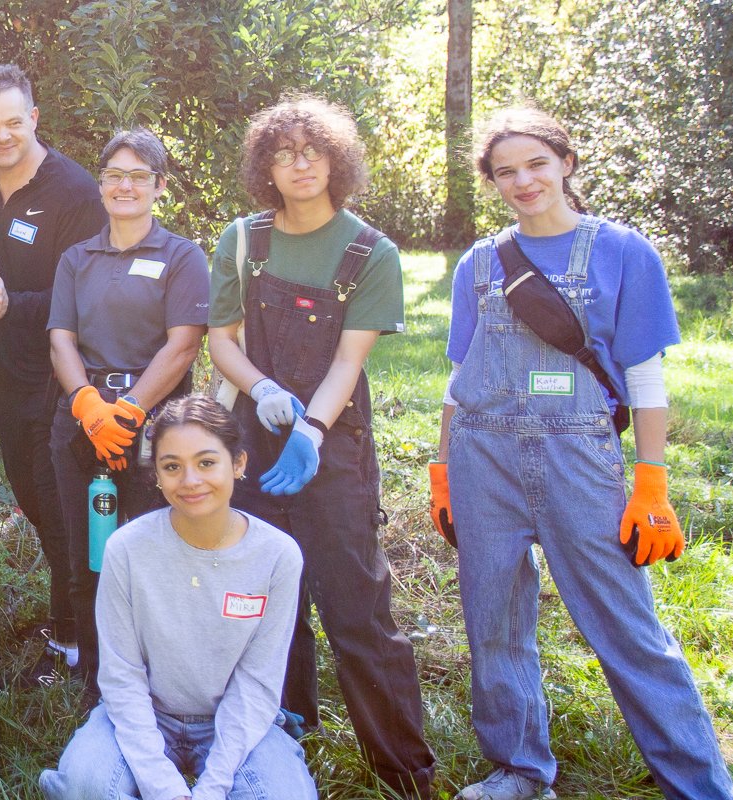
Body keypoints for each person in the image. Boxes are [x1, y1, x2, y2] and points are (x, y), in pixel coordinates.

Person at [434, 107, 733, 800]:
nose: (523, 181)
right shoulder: (479, 264)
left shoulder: (624, 251)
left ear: (567, 164)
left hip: (579, 461)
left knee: (630, 632)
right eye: (506, 172)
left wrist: (651, 483)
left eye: (537, 164)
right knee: (495, 623)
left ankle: (700, 786)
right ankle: (519, 770)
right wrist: (441, 468)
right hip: (482, 460)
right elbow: (459, 377)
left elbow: (646, 376)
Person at [204, 94, 435, 797]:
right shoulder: (244, 241)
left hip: (332, 445)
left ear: (338, 161)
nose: (300, 165)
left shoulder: (371, 251)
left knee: (355, 606)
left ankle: (403, 770)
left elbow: (347, 361)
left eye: (313, 151)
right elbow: (221, 342)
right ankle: (282, 740)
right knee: (266, 596)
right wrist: (263, 391)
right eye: (283, 153)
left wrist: (310, 427)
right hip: (252, 440)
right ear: (263, 167)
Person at [40, 395, 313, 800]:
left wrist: (214, 785)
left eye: (206, 462)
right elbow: (121, 675)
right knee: (88, 786)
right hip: (140, 714)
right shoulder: (126, 548)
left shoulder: (277, 556)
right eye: (172, 467)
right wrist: (162, 786)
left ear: (238, 464)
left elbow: (257, 684)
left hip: (236, 720)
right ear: (157, 476)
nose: (190, 481)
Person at [0, 64, 107, 673]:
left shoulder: (74, 191)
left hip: (64, 376)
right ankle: (69, 619)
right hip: (7, 375)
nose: (3, 135)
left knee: (60, 498)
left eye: (14, 122)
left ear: (34, 118)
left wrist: (16, 305)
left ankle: (78, 638)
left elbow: (87, 295)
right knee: (31, 496)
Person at [46, 129, 209, 704]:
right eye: (115, 174)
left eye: (139, 175)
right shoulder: (76, 259)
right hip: (82, 424)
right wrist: (89, 407)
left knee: (151, 553)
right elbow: (61, 340)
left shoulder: (182, 256)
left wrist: (132, 409)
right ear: (100, 185)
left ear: (159, 187)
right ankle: (97, 684)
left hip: (157, 427)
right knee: (89, 554)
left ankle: (157, 685)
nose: (125, 186)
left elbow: (183, 345)